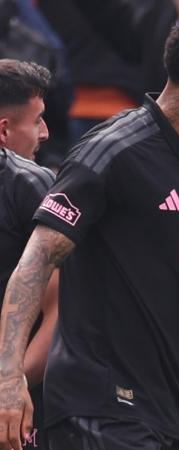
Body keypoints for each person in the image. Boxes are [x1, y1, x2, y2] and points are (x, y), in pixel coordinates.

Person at [0, 11, 179, 450]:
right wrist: (8, 378)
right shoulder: (111, 152)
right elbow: (36, 260)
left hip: (169, 411)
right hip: (99, 409)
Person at [0, 58, 58, 450]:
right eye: (36, 121)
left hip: (19, 407)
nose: (46, 132)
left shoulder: (33, 185)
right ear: (5, 130)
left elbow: (59, 310)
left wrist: (9, 388)